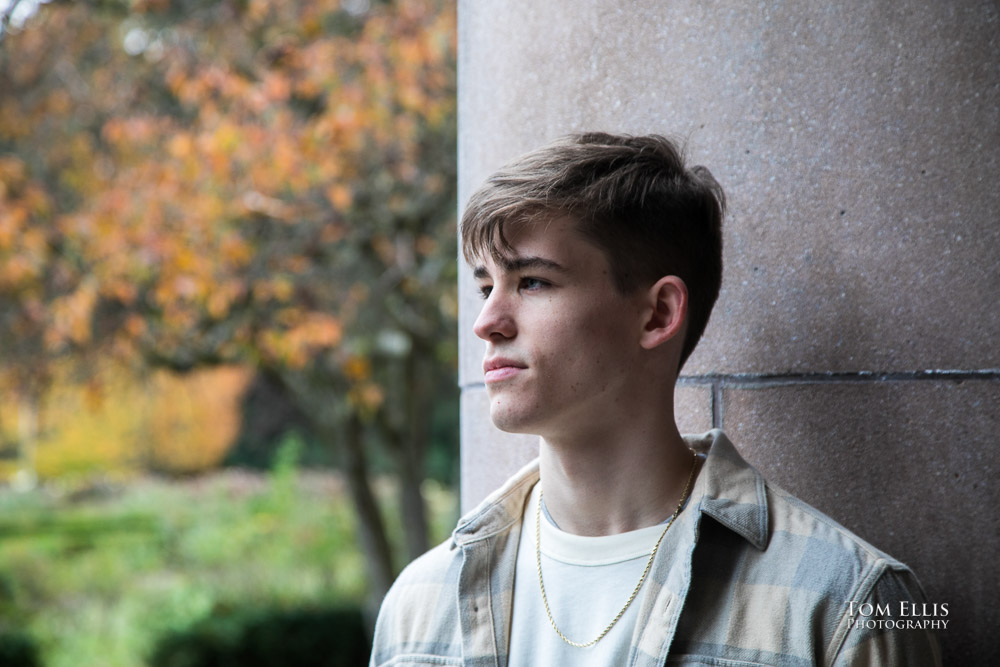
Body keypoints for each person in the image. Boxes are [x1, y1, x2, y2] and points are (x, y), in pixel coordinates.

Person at [369, 133, 941, 666]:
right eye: (484, 287)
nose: (487, 322)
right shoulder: (420, 605)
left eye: (533, 282)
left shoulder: (847, 606)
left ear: (659, 313)